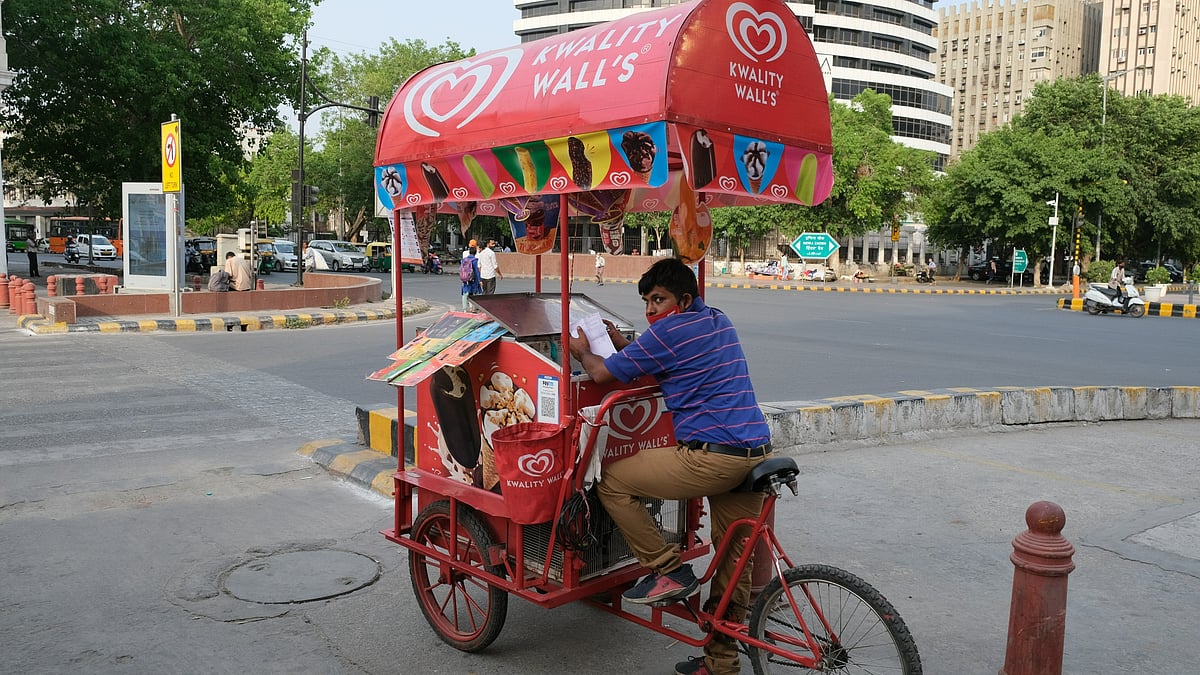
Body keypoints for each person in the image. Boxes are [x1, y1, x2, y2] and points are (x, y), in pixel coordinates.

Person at [568, 258, 771, 675]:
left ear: (683, 298)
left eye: (659, 299)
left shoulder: (670, 331)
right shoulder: (717, 319)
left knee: (612, 481)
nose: (652, 310)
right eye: (646, 302)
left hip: (711, 458)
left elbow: (602, 373)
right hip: (755, 452)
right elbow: (668, 362)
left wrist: (583, 351)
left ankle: (667, 569)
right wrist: (627, 346)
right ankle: (721, 663)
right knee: (735, 564)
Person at [460, 245, 482, 310]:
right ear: (475, 253)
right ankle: (472, 308)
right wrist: (479, 280)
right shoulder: (475, 260)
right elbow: (477, 272)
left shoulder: (464, 260)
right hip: (473, 280)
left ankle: (464, 309)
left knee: (465, 293)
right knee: (473, 293)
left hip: (465, 279)